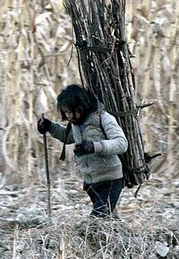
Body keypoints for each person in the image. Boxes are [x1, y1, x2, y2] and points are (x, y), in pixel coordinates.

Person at [37, 84, 128, 219]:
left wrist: (94, 146)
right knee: (108, 219)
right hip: (91, 182)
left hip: (110, 179)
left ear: (80, 105)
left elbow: (121, 143)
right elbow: (67, 137)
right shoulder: (76, 124)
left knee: (97, 220)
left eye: (69, 111)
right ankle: (123, 238)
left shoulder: (103, 118)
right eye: (65, 113)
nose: (68, 116)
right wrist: (50, 126)